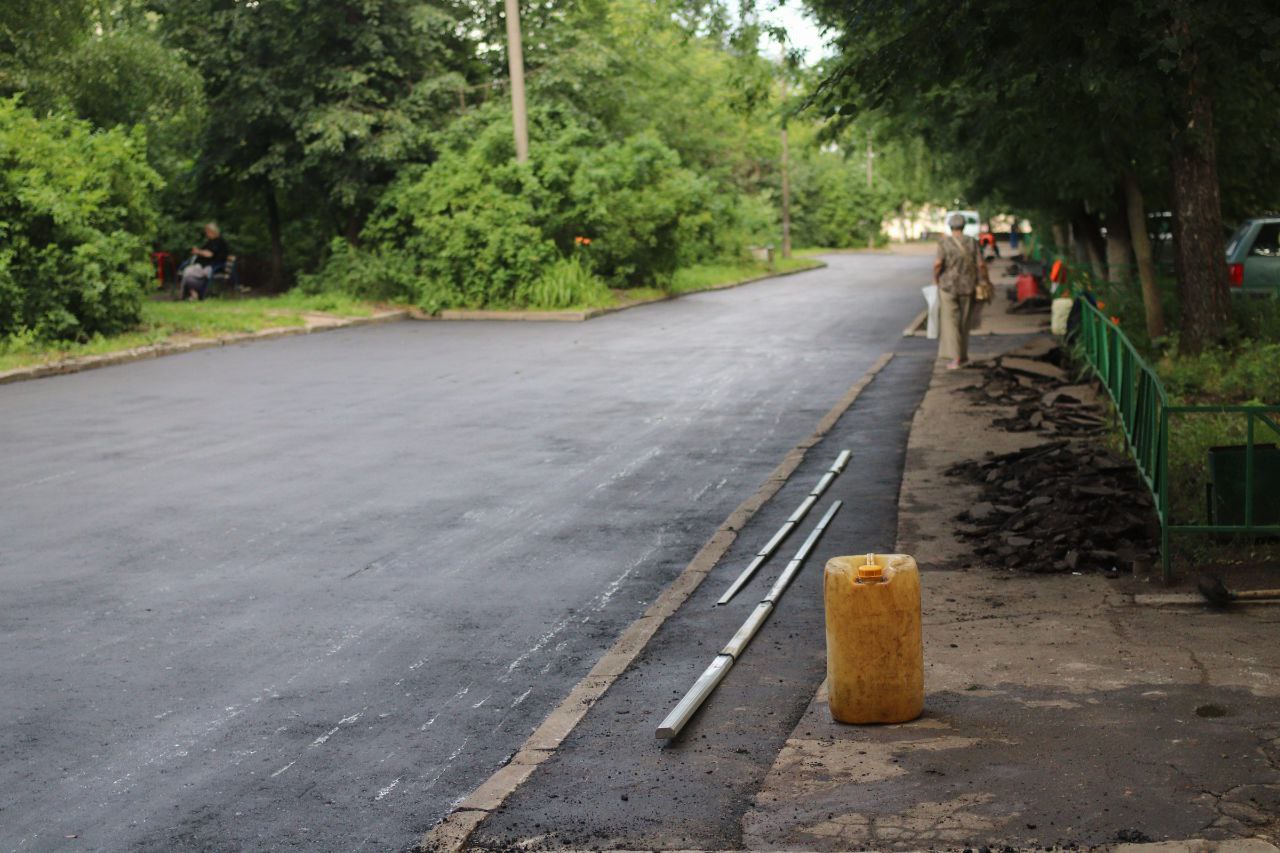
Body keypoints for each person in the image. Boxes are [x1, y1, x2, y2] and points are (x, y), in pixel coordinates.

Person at [933, 212, 987, 370]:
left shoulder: (944, 243)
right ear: (963, 226)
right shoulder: (972, 242)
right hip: (968, 286)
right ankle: (963, 356)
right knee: (964, 322)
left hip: (948, 287)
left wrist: (935, 279)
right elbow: (981, 265)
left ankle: (955, 359)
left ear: (950, 226)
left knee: (950, 323)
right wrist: (984, 280)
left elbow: (938, 264)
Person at [180, 223, 230, 301]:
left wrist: (198, 251)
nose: (206, 234)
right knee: (188, 270)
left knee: (188, 272)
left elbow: (209, 254)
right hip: (204, 266)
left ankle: (191, 295)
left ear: (212, 231)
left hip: (212, 268)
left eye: (207, 232)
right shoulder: (210, 241)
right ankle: (191, 294)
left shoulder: (219, 242)